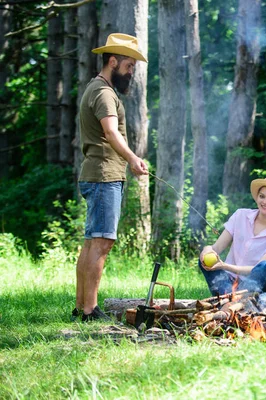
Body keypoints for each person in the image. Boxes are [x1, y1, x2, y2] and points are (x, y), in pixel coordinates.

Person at [73, 33, 149, 322]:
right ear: (113, 61)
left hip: (98, 174)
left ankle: (81, 306)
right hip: (104, 175)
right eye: (129, 66)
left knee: (92, 241)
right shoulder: (104, 93)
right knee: (102, 242)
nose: (131, 72)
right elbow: (111, 132)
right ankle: (90, 311)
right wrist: (132, 159)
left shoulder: (97, 88)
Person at [199, 177, 266, 297]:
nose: (265, 202)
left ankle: (233, 301)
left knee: (265, 266)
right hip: (226, 281)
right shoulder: (240, 215)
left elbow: (258, 270)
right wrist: (207, 249)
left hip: (255, 286)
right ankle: (230, 300)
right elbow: (217, 247)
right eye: (262, 196)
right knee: (204, 259)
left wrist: (225, 266)